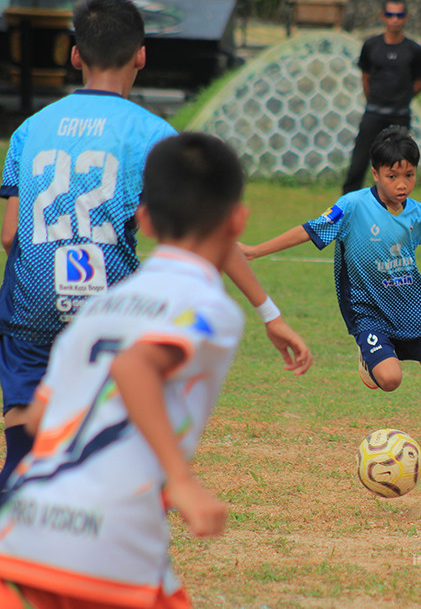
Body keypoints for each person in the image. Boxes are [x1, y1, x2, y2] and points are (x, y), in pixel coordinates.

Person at [0, 0, 312, 492]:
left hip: (31, 307)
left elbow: (10, 234)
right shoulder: (153, 137)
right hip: (110, 309)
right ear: (141, 55)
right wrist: (270, 313)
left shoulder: (29, 131)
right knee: (107, 440)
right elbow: (204, 229)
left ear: (75, 54)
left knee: (23, 439)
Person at [0, 132, 253, 607]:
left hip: (24, 526)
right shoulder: (209, 305)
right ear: (237, 220)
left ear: (145, 218)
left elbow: (38, 418)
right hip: (107, 539)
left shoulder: (99, 310)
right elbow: (135, 365)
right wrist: (181, 479)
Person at [242, 126, 421, 455]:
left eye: (409, 175)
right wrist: (254, 250)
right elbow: (308, 231)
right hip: (368, 309)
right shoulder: (351, 207)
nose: (402, 184)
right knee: (391, 380)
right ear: (376, 173)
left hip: (410, 306)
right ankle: (370, 359)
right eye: (393, 175)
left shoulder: (418, 213)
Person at [342, 0, 421, 194]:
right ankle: (344, 211)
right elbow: (366, 77)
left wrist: (401, 99)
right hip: (373, 112)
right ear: (383, 17)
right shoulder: (372, 46)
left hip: (399, 115)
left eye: (399, 15)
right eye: (390, 15)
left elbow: (419, 83)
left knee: (398, 166)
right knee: (359, 163)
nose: (394, 19)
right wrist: (374, 100)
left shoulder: (413, 50)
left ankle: (395, 205)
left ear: (405, 18)